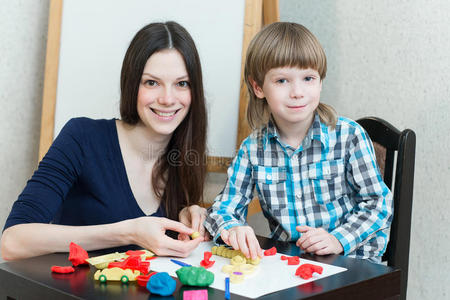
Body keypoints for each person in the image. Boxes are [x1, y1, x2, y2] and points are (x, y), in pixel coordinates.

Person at [1, 21, 209, 260]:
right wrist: (127, 232)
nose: (167, 98)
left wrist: (184, 216)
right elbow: (12, 241)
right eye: (152, 82)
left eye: (182, 84)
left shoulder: (184, 156)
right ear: (132, 85)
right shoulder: (82, 137)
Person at [204, 22, 393, 263]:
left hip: (352, 262)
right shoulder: (253, 149)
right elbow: (222, 209)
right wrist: (233, 228)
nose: (297, 92)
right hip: (290, 265)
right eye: (282, 81)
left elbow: (378, 203)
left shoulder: (348, 136)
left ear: (320, 81)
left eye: (308, 78)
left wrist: (338, 240)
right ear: (258, 87)